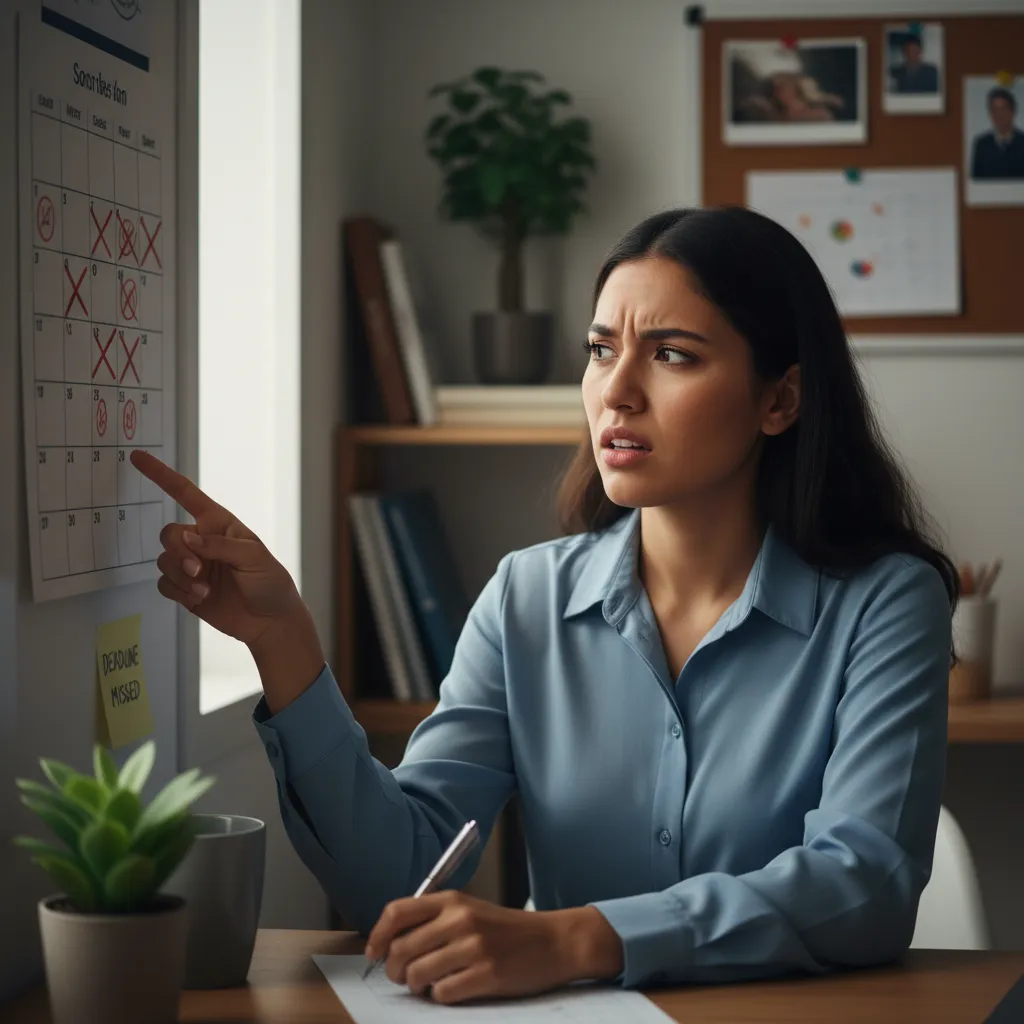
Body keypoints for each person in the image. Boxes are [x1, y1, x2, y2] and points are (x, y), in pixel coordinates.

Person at [133, 206, 959, 1006]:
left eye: (672, 355)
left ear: (780, 399)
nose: (618, 392)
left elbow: (866, 880)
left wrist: (575, 939)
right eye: (602, 350)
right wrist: (283, 641)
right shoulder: (526, 597)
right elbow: (401, 877)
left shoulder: (886, 604)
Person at [971, 87, 1024, 180]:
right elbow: (976, 181)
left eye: (1003, 109)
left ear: (1012, 111)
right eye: (995, 110)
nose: (999, 114)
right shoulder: (981, 144)